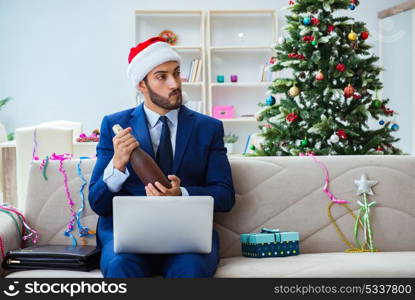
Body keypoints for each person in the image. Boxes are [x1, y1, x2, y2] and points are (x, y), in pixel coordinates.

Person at [88, 37, 235, 278]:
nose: (174, 83)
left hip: (187, 237)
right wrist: (117, 166)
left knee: (192, 270)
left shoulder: (208, 128)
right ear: (141, 85)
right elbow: (98, 204)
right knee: (119, 267)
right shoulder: (114, 125)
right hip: (128, 241)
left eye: (177, 73)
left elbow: (225, 196)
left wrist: (182, 193)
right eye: (161, 76)